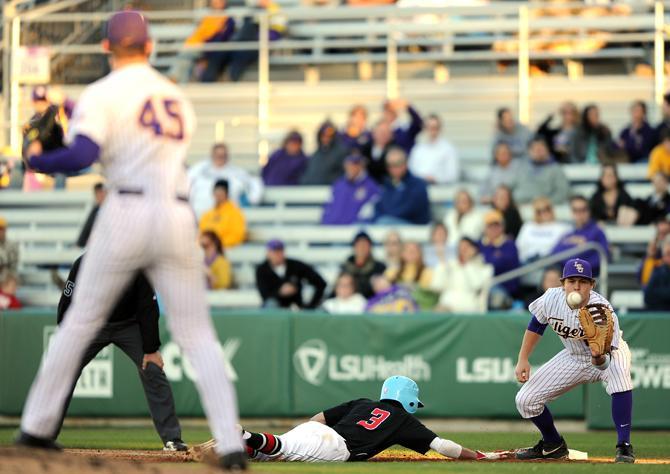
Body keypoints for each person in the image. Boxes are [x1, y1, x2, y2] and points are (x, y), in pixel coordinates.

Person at [16, 11, 246, 469]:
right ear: (151, 45)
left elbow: (83, 154)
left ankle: (36, 429)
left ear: (105, 47)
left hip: (127, 208)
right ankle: (232, 445)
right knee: (198, 334)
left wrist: (40, 159)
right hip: (178, 211)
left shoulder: (103, 92)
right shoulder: (176, 97)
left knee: (79, 323)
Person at [53, 255, 187, 451]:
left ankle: (172, 438)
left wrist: (151, 349)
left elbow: (148, 307)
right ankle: (42, 435)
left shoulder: (137, 266)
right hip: (91, 324)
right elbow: (67, 300)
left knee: (152, 369)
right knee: (61, 371)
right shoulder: (83, 263)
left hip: (128, 325)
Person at [514, 259, 634, 464]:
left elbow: (603, 364)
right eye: (571, 280)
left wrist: (598, 356)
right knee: (525, 400)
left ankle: (624, 446)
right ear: (563, 283)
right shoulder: (551, 298)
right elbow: (536, 325)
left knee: (620, 377)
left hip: (608, 354)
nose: (577, 286)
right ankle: (553, 445)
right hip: (573, 356)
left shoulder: (602, 309)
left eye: (583, 281)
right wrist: (523, 359)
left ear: (592, 285)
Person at [202, 375, 481, 462]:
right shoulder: (403, 420)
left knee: (274, 453)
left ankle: (237, 446)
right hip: (336, 447)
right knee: (284, 450)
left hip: (312, 429)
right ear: (408, 399)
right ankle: (246, 436)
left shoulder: (362, 402)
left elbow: (318, 418)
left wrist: (310, 433)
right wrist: (479, 456)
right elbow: (443, 446)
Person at [200, 0, 285, 82]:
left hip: (257, 45)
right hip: (241, 42)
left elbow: (275, 34)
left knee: (241, 55)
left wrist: (256, 35)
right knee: (219, 52)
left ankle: (231, 80)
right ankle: (207, 81)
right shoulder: (252, 10)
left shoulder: (276, 12)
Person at [188, 142, 264, 218]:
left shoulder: (236, 172)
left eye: (223, 155)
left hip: (227, 218)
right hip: (200, 215)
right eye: (217, 155)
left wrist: (252, 200)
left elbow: (255, 182)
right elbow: (187, 184)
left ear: (227, 156)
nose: (220, 157)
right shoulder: (199, 170)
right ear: (212, 155)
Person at [168, 0, 235, 83]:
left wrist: (206, 54)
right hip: (194, 45)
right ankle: (179, 83)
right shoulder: (207, 17)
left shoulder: (227, 19)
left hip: (205, 47)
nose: (216, 2)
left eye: (219, 1)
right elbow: (198, 33)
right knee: (186, 62)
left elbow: (221, 38)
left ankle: (172, 79)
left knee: (184, 57)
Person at [255, 239, 326, 309]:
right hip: (275, 309)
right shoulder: (262, 270)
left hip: (296, 307)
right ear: (268, 253)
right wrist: (279, 292)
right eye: (274, 252)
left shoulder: (296, 266)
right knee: (271, 304)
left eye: (280, 251)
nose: (277, 254)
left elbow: (320, 283)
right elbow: (264, 294)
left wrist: (310, 306)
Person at [551, 195, 610, 277]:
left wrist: (572, 260)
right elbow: (554, 253)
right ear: (572, 212)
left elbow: (602, 257)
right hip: (564, 273)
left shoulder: (597, 231)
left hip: (585, 276)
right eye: (575, 210)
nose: (579, 213)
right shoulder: (568, 232)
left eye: (583, 209)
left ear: (589, 210)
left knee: (553, 275)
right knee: (551, 273)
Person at [432, 237, 493, 313]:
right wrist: (442, 261)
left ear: (474, 250)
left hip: (468, 308)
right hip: (446, 306)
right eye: (460, 248)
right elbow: (437, 286)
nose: (462, 251)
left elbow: (477, 286)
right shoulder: (450, 265)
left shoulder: (485, 268)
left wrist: (467, 263)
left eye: (466, 248)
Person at [373, 147, 431, 225]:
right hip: (390, 224)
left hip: (413, 225)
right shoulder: (387, 184)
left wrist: (387, 214)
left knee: (383, 221)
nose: (392, 168)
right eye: (389, 165)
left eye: (396, 164)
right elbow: (379, 207)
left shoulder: (417, 184)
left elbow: (410, 210)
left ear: (405, 164)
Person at [321, 154, 380, 225]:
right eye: (349, 165)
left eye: (355, 165)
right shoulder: (339, 184)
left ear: (361, 166)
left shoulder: (371, 186)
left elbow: (369, 212)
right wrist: (327, 221)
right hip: (332, 226)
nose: (351, 168)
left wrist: (357, 224)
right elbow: (328, 205)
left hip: (354, 229)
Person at [478, 210, 521, 304]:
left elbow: (500, 265)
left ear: (502, 227)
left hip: (504, 287)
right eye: (490, 226)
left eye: (496, 225)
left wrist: (488, 260)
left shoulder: (509, 245)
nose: (493, 229)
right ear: (485, 228)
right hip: (482, 284)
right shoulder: (479, 244)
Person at [513, 137, 570, 205]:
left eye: (541, 148)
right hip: (520, 205)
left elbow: (563, 191)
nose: (538, 151)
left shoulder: (555, 169)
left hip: (544, 208)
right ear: (529, 152)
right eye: (535, 149)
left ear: (547, 149)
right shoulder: (522, 167)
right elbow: (512, 186)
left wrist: (547, 203)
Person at [516, 197, 572, 264]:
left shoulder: (563, 227)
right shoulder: (528, 226)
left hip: (549, 261)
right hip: (528, 261)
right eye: (539, 211)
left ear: (551, 209)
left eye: (546, 209)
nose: (544, 213)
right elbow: (519, 246)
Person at [407, 114, 459, 184]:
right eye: (429, 127)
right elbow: (411, 170)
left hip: (439, 188)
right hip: (419, 187)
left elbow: (452, 175)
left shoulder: (448, 149)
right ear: (424, 128)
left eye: (435, 127)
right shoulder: (418, 148)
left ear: (440, 129)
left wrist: (435, 178)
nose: (432, 131)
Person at [198, 179, 246, 248]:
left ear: (226, 194)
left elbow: (238, 235)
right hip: (207, 249)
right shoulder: (207, 214)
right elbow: (201, 233)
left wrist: (218, 245)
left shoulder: (235, 213)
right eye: (216, 193)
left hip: (225, 249)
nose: (218, 196)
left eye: (221, 193)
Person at [300, 120, 350, 185]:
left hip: (331, 190)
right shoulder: (316, 154)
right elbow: (309, 174)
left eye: (329, 136)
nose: (326, 138)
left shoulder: (342, 152)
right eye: (323, 135)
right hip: (313, 190)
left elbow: (343, 175)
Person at [340, 230, 386, 299]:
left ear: (370, 247)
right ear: (354, 247)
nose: (362, 248)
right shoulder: (345, 267)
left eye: (365, 245)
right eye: (359, 245)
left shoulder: (379, 267)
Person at [639, 216, 670, 286]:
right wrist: (650, 256)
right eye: (660, 233)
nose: (662, 237)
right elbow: (643, 279)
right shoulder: (653, 251)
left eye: (665, 233)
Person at [77, 182, 107, 248]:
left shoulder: (112, 210)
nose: (100, 196)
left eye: (101, 193)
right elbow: (87, 228)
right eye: (97, 194)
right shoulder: (95, 210)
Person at [643, 237, 670, 310]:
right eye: (668, 254)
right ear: (663, 256)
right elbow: (647, 296)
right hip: (659, 312)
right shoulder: (657, 271)